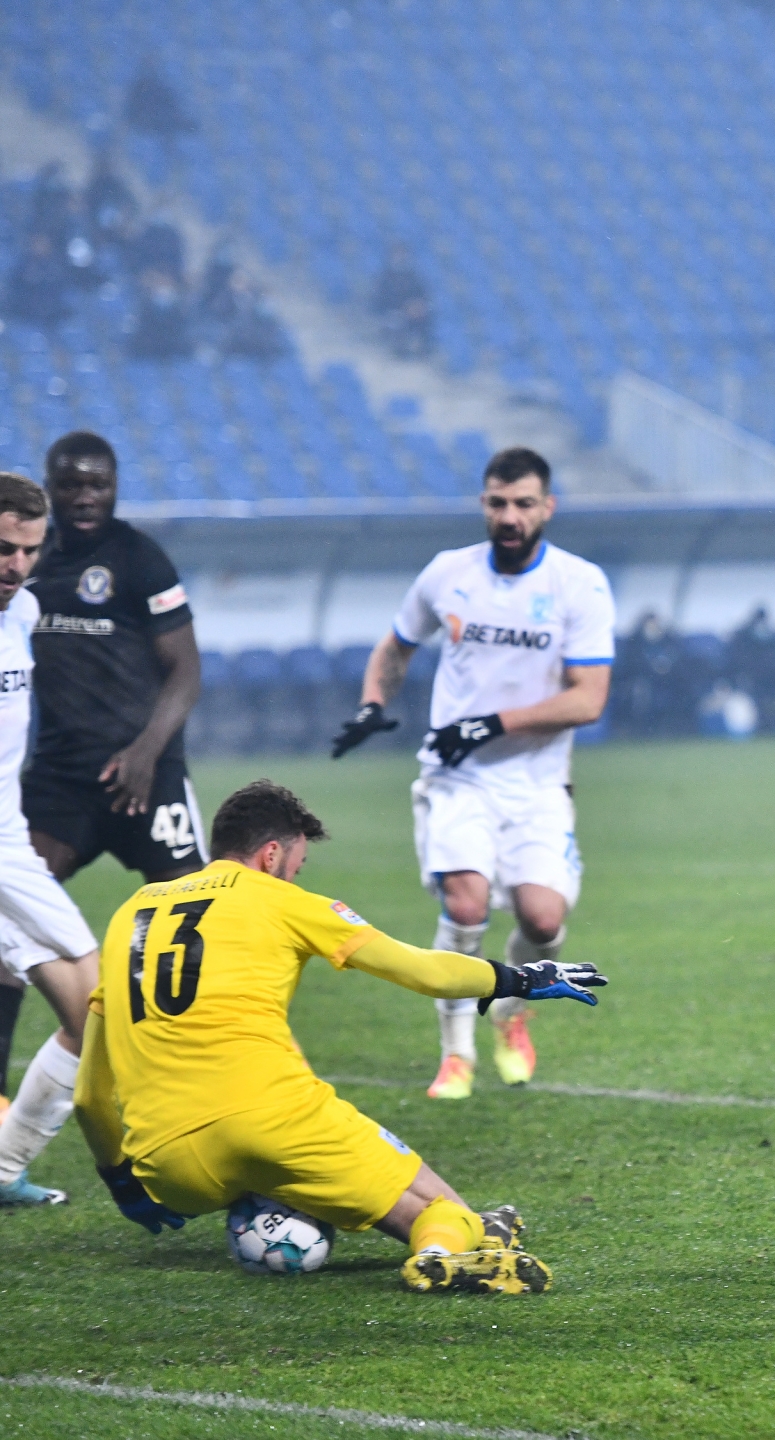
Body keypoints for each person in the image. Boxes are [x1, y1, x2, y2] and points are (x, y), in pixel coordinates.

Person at [71, 780, 608, 1293]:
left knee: (280, 1169)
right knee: (446, 1214)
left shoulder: (131, 914)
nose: (294, 878)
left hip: (168, 1165)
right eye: (297, 866)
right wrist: (519, 978)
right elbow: (426, 971)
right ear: (271, 855)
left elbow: (89, 1096)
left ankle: (465, 1230)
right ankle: (440, 1254)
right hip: (271, 1122)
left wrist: (122, 1179)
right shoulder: (282, 900)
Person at [331, 447, 614, 1102]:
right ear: (483, 504)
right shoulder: (447, 573)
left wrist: (491, 723)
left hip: (538, 783)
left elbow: (588, 699)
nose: (510, 517)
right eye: (498, 503)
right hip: (457, 778)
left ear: (548, 507)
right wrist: (373, 703)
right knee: (467, 904)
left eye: (523, 504)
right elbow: (396, 646)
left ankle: (511, 1012)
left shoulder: (579, 584)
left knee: (543, 921)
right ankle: (455, 1054)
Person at [1, 434, 205, 1127]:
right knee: (12, 946)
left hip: (146, 777)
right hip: (61, 781)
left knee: (196, 927)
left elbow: (186, 668)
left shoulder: (139, 559)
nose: (86, 497)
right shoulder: (30, 573)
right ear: (52, 488)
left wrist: (146, 751)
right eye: (72, 485)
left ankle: (206, 1079)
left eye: (99, 484)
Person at [0, 474, 106, 1207]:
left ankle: (4, 1167)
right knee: (97, 1005)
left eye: (29, 550)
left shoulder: (25, 609)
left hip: (8, 839)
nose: (16, 565)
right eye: (3, 548)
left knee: (90, 1010)